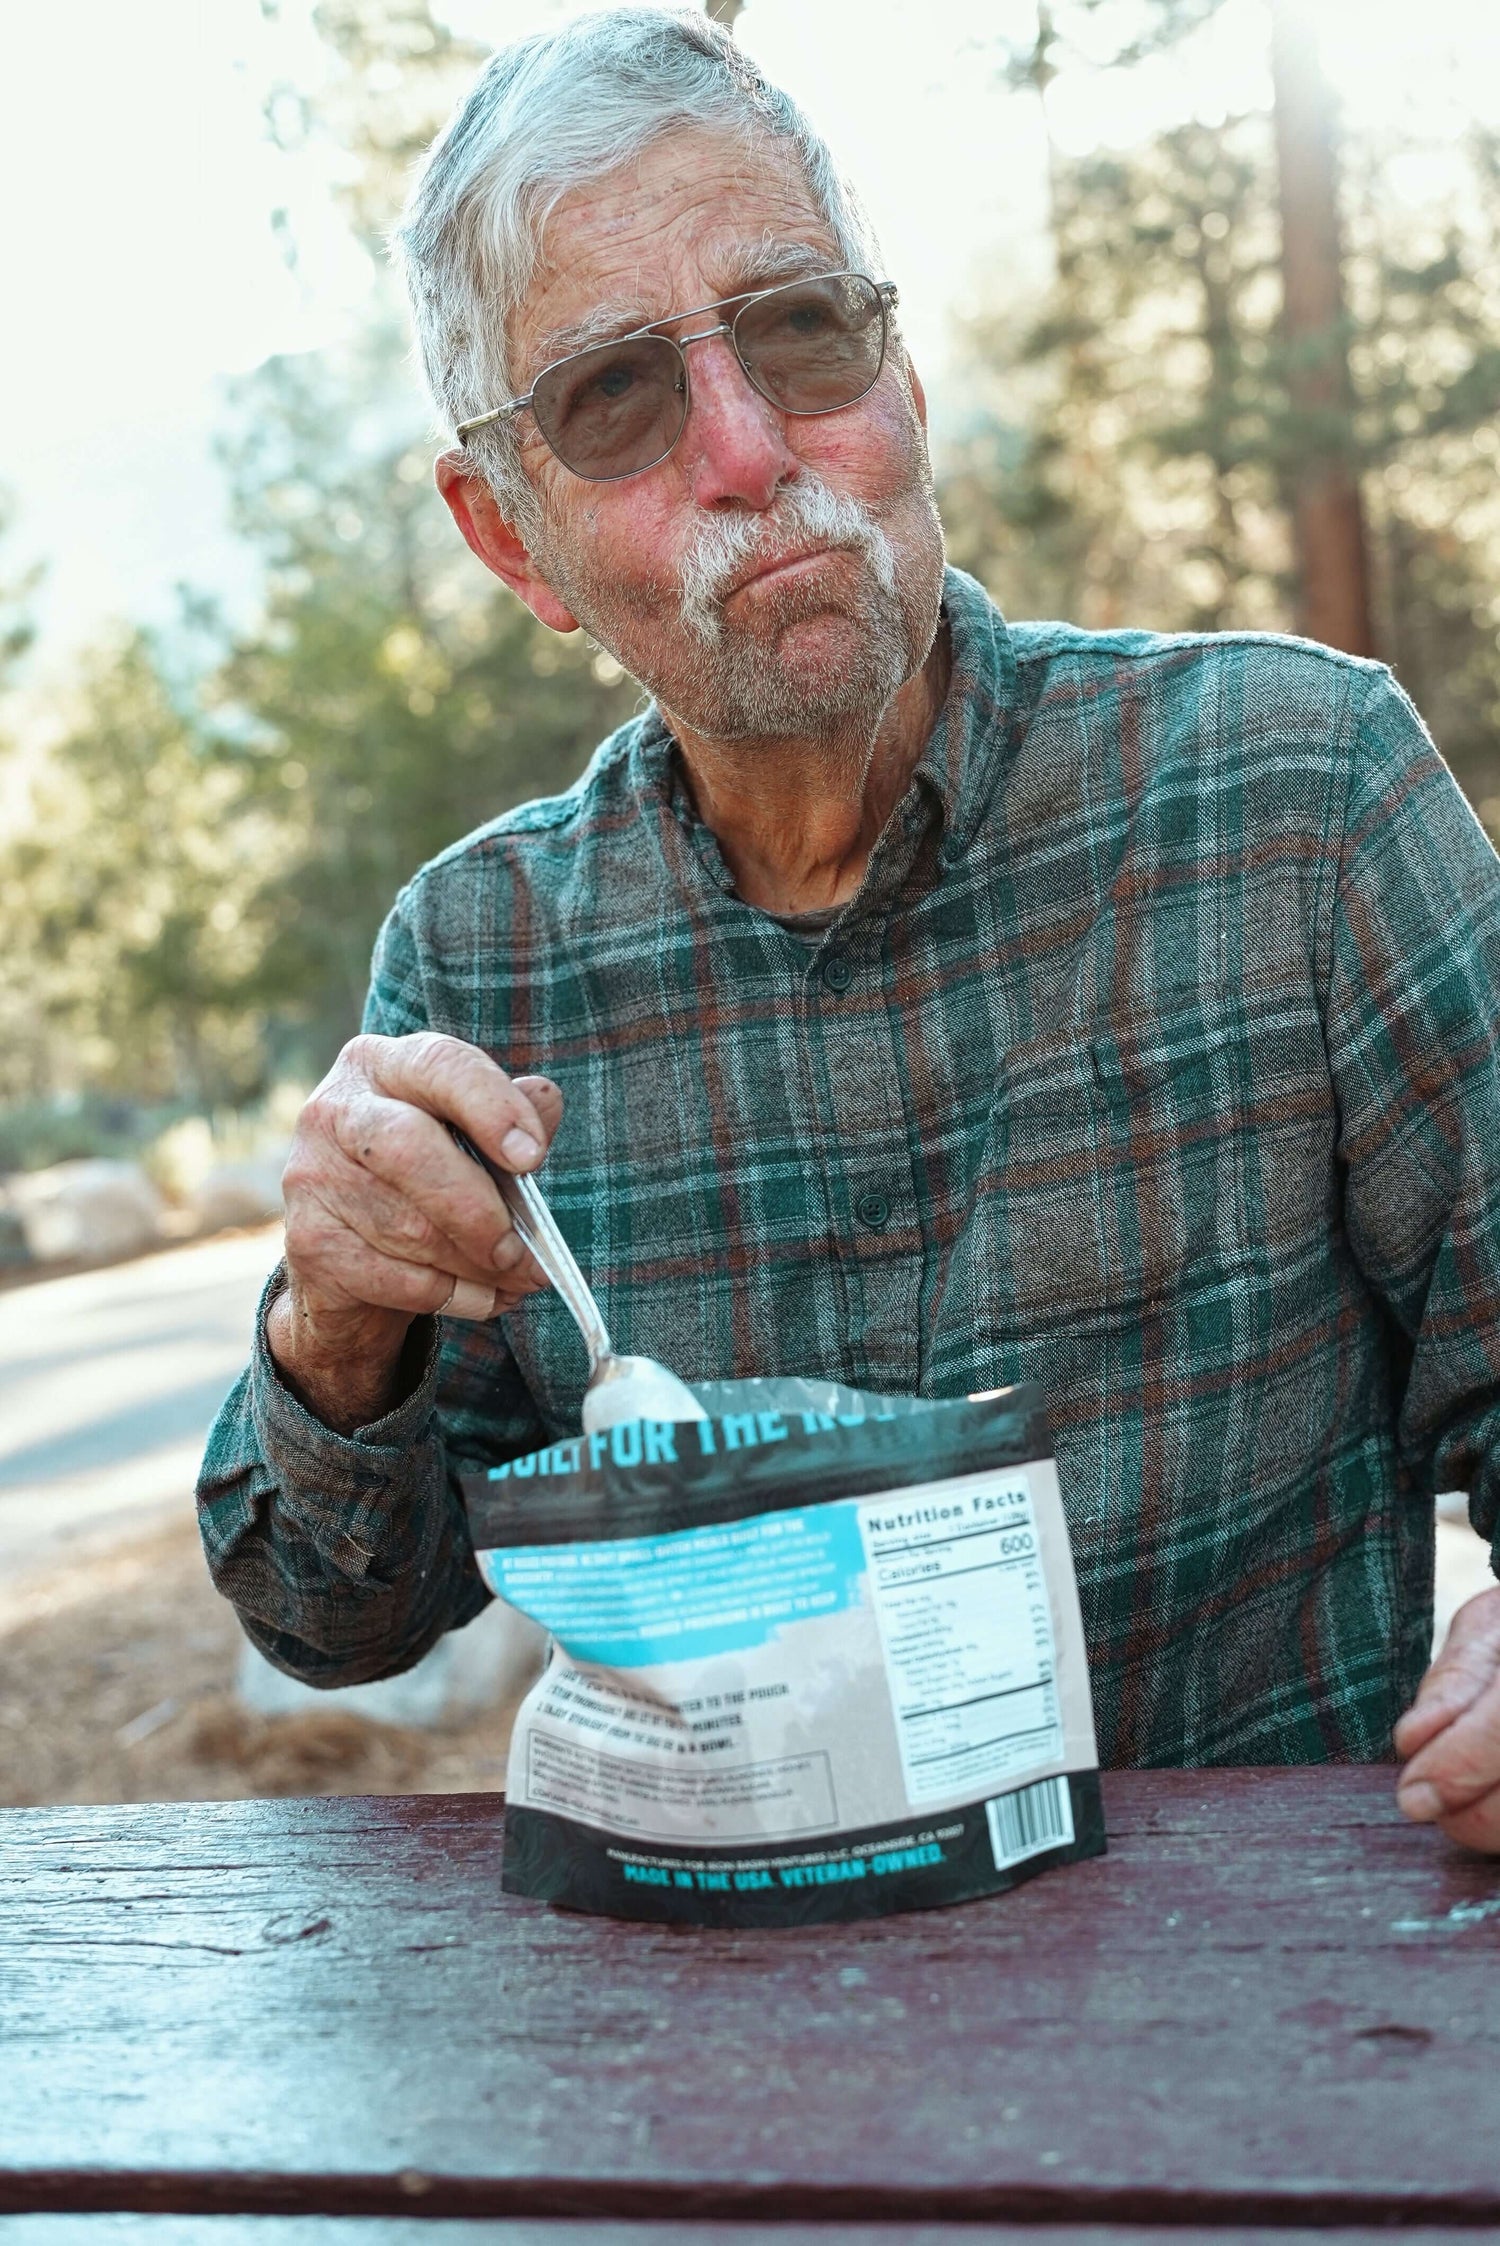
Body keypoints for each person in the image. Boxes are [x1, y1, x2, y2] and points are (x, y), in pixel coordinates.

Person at [198, 7, 1500, 1846]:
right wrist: (340, 1329)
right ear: (512, 541)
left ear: (897, 369)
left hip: (1254, 2033)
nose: (748, 444)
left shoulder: (1297, 791)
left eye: (801, 328)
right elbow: (336, 1621)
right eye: (619, 398)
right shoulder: (484, 958)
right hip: (731, 2056)